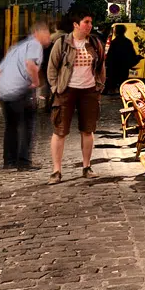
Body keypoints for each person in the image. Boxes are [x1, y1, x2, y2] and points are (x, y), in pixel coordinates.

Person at [47, 12, 105, 183]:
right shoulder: (63, 43)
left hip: (89, 91)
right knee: (60, 130)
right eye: (86, 22)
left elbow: (101, 66)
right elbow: (52, 67)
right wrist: (55, 88)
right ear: (76, 24)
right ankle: (56, 170)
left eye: (91, 22)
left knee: (88, 130)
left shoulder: (94, 43)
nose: (89, 25)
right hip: (66, 90)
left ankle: (86, 166)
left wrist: (99, 86)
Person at [0, 20, 51, 169]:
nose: (49, 36)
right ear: (37, 33)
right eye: (47, 32)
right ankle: (24, 162)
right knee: (27, 125)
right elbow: (30, 64)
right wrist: (36, 82)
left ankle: (9, 160)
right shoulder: (35, 45)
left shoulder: (16, 47)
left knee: (11, 126)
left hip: (4, 91)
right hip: (20, 90)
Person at [104, 25, 138, 95]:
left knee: (113, 85)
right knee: (123, 84)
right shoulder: (127, 42)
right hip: (124, 67)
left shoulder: (114, 42)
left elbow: (110, 55)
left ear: (116, 32)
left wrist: (107, 64)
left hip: (114, 67)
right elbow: (132, 54)